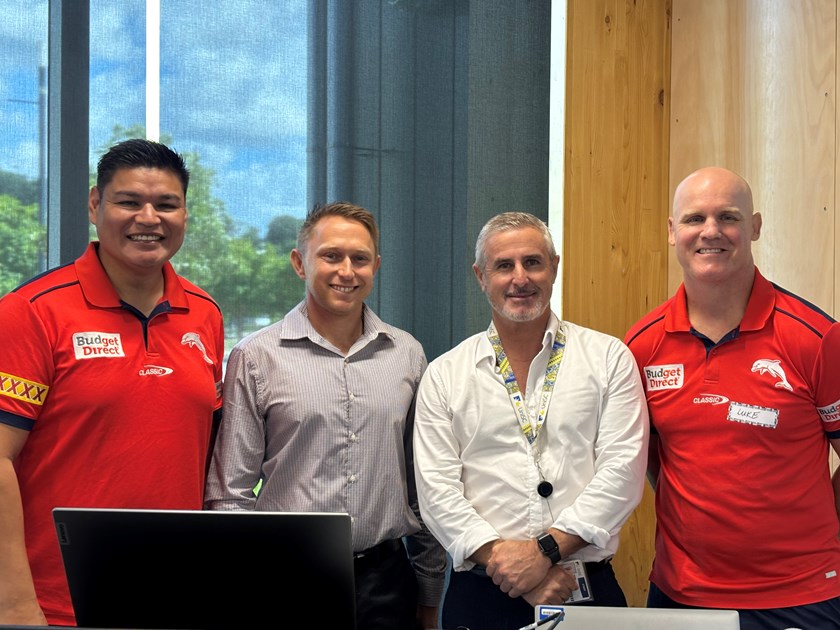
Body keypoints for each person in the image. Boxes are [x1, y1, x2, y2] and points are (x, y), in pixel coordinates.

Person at [0, 138, 225, 626]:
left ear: (185, 214)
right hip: (59, 607)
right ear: (94, 205)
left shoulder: (205, 314)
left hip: (176, 597)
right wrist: (16, 607)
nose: (149, 218)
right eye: (128, 202)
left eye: (166, 204)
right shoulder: (32, 312)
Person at [204, 202, 446, 630]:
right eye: (331, 256)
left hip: (386, 583)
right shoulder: (256, 356)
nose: (346, 271)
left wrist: (429, 590)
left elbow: (421, 485)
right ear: (300, 263)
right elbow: (230, 494)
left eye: (360, 258)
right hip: (284, 581)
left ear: (376, 265)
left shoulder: (407, 354)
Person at [624, 166, 840, 630]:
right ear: (671, 231)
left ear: (755, 227)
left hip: (801, 596)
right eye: (693, 219)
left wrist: (820, 527)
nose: (711, 232)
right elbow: (652, 458)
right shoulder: (641, 346)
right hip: (681, 595)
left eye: (728, 216)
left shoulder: (817, 338)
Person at [413, 211, 649, 630]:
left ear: (554, 267)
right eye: (504, 265)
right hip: (479, 594)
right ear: (480, 276)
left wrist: (543, 553)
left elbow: (622, 473)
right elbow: (437, 493)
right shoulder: (445, 374)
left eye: (533, 262)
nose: (520, 278)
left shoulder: (609, 359)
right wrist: (515, 573)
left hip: (581, 588)